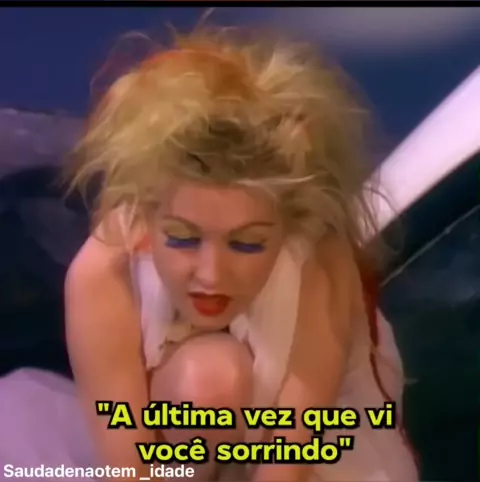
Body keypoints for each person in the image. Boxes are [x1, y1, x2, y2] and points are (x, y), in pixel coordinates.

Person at [0, 27, 418, 482]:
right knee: (205, 384)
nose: (211, 276)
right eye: (182, 238)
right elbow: (130, 469)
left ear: (290, 225)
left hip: (328, 449)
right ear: (146, 216)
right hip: (179, 454)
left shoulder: (318, 257)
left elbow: (290, 462)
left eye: (248, 243)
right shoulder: (103, 275)